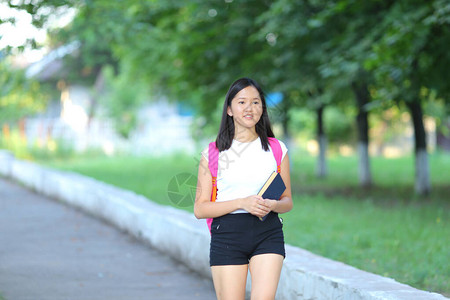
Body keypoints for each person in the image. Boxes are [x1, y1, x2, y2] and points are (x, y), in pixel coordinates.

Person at [194, 77, 293, 300]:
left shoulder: (277, 149)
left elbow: (288, 201)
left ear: (262, 109)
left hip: (268, 231)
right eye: (242, 102)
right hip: (228, 234)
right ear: (229, 109)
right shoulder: (213, 153)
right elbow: (200, 209)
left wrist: (273, 204)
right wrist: (242, 203)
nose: (250, 108)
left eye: (256, 102)